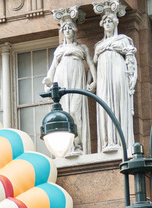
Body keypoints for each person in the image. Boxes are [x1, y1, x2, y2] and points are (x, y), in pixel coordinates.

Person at [43, 11, 96, 156]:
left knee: (74, 111)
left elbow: (91, 64)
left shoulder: (82, 48)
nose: (67, 31)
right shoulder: (59, 50)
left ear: (74, 31)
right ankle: (70, 147)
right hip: (62, 80)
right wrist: (48, 82)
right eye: (64, 28)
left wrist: (94, 81)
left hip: (77, 80)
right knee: (65, 112)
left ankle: (78, 145)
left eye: (69, 28)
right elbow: (53, 68)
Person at [93, 2, 137, 153]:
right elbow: (93, 64)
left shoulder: (123, 40)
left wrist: (132, 77)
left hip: (118, 72)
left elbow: (131, 59)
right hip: (103, 77)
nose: (107, 24)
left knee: (119, 102)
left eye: (110, 21)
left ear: (115, 23)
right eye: (105, 21)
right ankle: (108, 141)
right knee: (105, 104)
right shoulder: (98, 45)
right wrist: (92, 82)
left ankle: (121, 140)